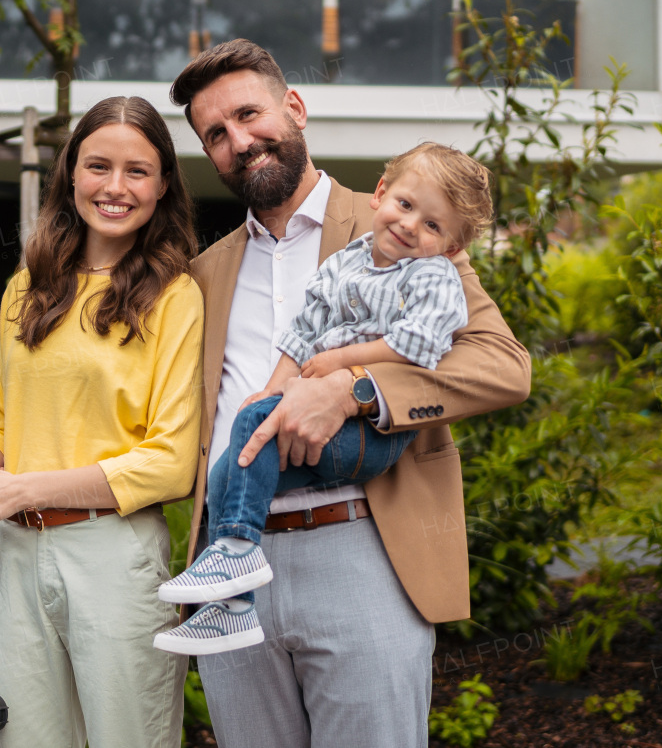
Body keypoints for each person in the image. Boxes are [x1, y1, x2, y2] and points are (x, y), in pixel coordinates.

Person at [169, 39, 531, 747]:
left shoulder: (400, 223)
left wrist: (354, 390)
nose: (240, 141)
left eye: (249, 114)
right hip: (229, 566)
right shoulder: (203, 273)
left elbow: (502, 366)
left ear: (294, 108)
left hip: (364, 544)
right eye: (217, 134)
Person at [0, 96, 202, 748]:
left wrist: (24, 489)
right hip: (13, 559)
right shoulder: (27, 286)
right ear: (70, 174)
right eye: (98, 166)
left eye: (137, 171)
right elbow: (6, 436)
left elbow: (170, 464)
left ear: (164, 184)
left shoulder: (175, 296)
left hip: (113, 558)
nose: (115, 188)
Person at [154, 143, 494, 656]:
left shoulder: (433, 276)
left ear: (450, 247)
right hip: (318, 449)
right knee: (233, 464)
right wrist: (272, 392)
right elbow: (303, 332)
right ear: (381, 194)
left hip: (371, 439)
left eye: (433, 226)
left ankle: (237, 558)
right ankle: (234, 607)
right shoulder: (346, 262)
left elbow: (420, 343)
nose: (410, 226)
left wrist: (343, 368)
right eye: (405, 205)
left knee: (252, 438)